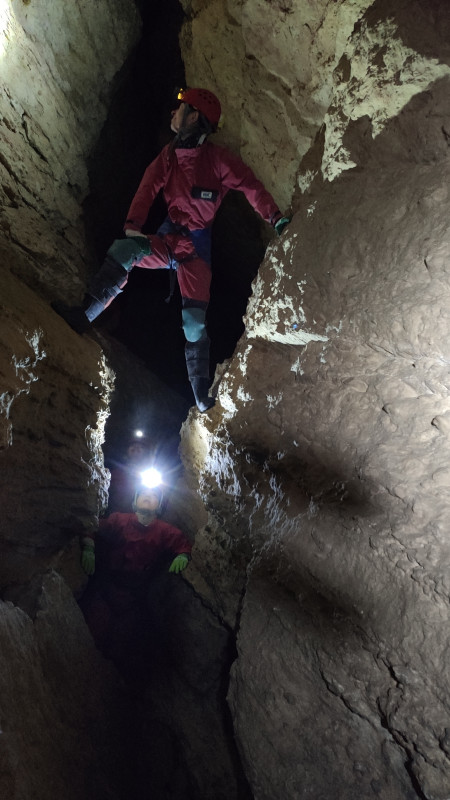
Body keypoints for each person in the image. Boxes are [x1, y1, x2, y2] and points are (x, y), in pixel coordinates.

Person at [53, 87, 290, 411]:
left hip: (196, 248)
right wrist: (133, 229)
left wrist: (275, 218)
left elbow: (251, 186)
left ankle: (201, 396)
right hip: (168, 240)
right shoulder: (169, 155)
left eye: (180, 109)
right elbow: (148, 187)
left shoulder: (219, 161)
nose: (172, 114)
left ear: (194, 117)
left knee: (193, 322)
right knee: (124, 250)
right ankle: (84, 316)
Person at [79, 485, 191, 672]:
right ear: (134, 502)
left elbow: (182, 544)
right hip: (108, 588)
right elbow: (92, 525)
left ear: (160, 506)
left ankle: (114, 680)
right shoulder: (119, 520)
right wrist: (88, 545)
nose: (148, 497)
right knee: (91, 634)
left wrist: (184, 555)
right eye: (143, 494)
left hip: (134, 597)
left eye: (154, 496)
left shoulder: (165, 531)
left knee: (121, 645)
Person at [106, 433, 154, 513]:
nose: (136, 449)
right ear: (127, 450)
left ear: (145, 452)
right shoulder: (116, 473)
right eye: (132, 446)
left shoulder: (152, 474)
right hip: (118, 516)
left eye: (140, 447)